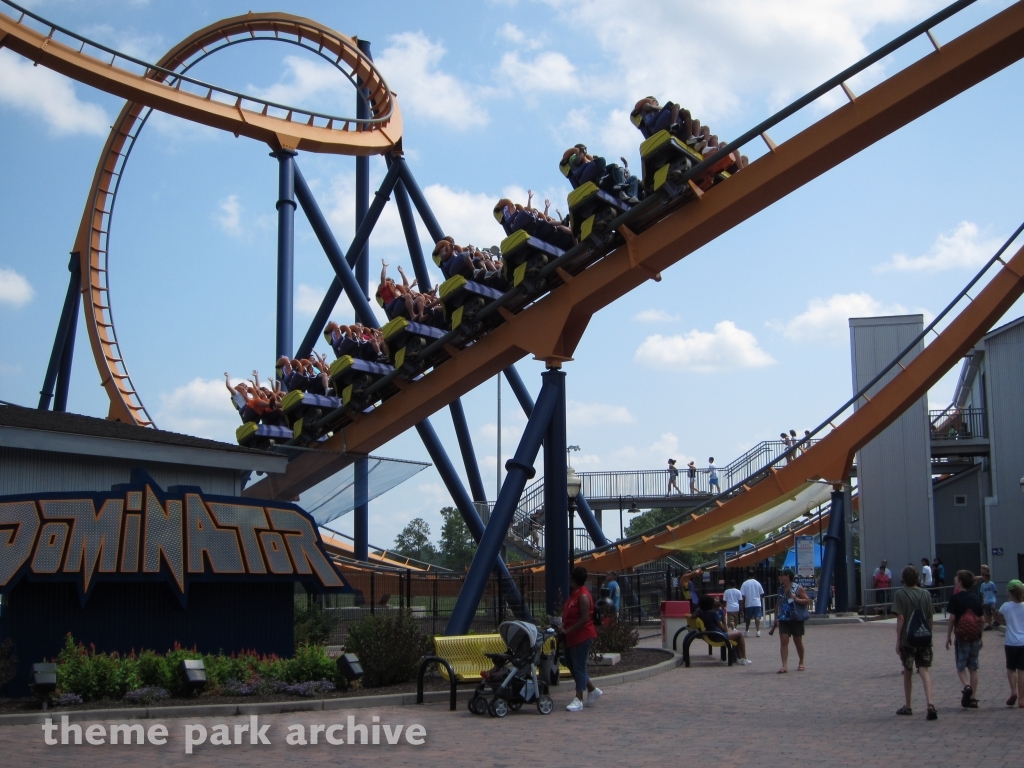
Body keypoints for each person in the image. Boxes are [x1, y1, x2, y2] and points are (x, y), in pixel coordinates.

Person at [892, 565, 937, 719]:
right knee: (924, 669)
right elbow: (930, 618)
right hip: (924, 638)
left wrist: (898, 640)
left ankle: (908, 705)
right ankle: (930, 702)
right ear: (918, 578)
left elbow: (900, 618)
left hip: (908, 639)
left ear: (903, 579)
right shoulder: (925, 594)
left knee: (908, 670)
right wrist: (928, 634)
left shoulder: (900, 594)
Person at [559, 566, 602, 711]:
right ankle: (592, 689)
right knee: (571, 664)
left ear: (574, 580)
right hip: (570, 636)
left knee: (579, 666)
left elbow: (585, 618)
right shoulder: (574, 595)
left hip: (582, 636)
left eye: (571, 578)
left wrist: (568, 630)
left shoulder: (583, 596)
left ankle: (579, 698)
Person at [945, 570, 983, 709]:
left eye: (956, 578)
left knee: (960, 666)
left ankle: (966, 686)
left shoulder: (955, 598)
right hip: (974, 636)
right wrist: (980, 635)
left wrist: (948, 635)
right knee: (973, 667)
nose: (955, 579)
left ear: (960, 582)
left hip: (962, 637)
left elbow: (952, 618)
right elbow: (982, 619)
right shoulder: (975, 598)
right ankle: (973, 698)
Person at [768, 568, 810, 672]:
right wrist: (776, 616)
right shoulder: (780, 589)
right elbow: (778, 603)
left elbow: (807, 601)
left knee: (798, 642)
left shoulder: (798, 588)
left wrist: (796, 598)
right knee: (783, 641)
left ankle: (801, 662)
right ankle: (784, 665)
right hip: (783, 619)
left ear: (788, 576)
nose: (780, 577)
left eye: (782, 575)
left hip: (796, 618)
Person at [697, 595, 752, 665]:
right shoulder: (712, 613)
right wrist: (727, 631)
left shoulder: (700, 613)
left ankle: (740, 658)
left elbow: (693, 615)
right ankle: (744, 658)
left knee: (736, 636)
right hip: (718, 636)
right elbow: (720, 625)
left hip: (711, 635)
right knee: (740, 634)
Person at [997, 579, 1024, 707]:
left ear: (1009, 592)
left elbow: (999, 618)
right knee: (1022, 671)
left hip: (1010, 642)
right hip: (1023, 642)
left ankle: (1013, 691)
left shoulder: (1006, 606)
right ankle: (1022, 699)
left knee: (1011, 668)